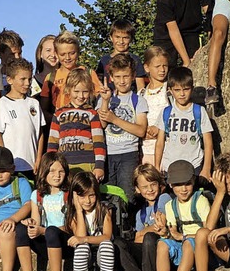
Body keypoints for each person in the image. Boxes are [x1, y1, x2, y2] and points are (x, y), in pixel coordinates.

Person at [15, 152, 71, 271]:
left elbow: (71, 226)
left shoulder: (69, 195)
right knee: (21, 229)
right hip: (45, 240)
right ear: (44, 172)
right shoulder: (38, 195)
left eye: (61, 171)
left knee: (51, 230)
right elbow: (36, 220)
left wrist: (43, 231)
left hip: (64, 241)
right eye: (52, 171)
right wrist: (31, 223)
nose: (57, 175)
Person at [97, 53, 148, 206]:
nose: (122, 81)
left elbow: (141, 130)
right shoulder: (104, 98)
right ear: (111, 77)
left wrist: (115, 119)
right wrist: (105, 101)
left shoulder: (138, 100)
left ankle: (128, 227)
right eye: (118, 77)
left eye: (125, 76)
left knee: (127, 196)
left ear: (133, 76)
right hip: (108, 153)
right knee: (107, 196)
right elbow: (101, 125)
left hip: (128, 154)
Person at [156, 160, 211, 271]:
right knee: (162, 244)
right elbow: (173, 232)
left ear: (193, 182)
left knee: (188, 243)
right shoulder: (171, 206)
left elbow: (207, 230)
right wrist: (164, 232)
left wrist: (184, 236)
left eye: (187, 184)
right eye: (178, 185)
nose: (184, 189)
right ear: (171, 185)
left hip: (201, 247)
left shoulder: (200, 201)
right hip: (183, 244)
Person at [119, 164, 171, 271]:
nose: (150, 190)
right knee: (119, 242)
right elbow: (136, 238)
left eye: (153, 184)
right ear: (137, 189)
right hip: (146, 250)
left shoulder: (164, 198)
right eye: (145, 187)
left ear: (159, 184)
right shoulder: (140, 213)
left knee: (149, 237)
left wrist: (144, 232)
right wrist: (144, 232)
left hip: (161, 248)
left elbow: (160, 225)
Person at [154, 67, 213, 180]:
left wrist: (206, 168)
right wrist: (157, 166)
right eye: (177, 90)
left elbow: (208, 142)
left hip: (194, 165)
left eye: (186, 89)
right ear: (170, 90)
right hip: (169, 166)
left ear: (192, 89)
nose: (182, 94)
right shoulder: (166, 112)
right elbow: (160, 142)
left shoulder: (199, 111)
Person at [0, 58, 45, 180]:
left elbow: (40, 133)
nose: (27, 83)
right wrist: (3, 161)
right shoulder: (3, 103)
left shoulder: (34, 103)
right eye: (23, 79)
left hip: (32, 166)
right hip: (12, 167)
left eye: (29, 79)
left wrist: (38, 159)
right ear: (10, 79)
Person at [47, 69, 106, 180]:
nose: (81, 96)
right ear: (68, 90)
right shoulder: (58, 114)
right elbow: (52, 143)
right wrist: (51, 164)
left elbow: (99, 142)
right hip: (65, 164)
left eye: (85, 92)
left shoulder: (92, 114)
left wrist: (99, 166)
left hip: (88, 163)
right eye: (76, 91)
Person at [65, 171, 116, 271]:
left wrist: (85, 239)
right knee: (81, 247)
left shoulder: (104, 209)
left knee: (107, 245)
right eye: (82, 196)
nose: (88, 201)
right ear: (75, 196)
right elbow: (79, 235)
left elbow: (106, 236)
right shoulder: (72, 213)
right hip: (84, 254)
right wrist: (79, 210)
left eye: (91, 196)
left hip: (101, 252)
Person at [40, 30, 102, 117]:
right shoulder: (51, 78)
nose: (67, 58)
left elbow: (100, 100)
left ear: (78, 52)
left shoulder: (89, 73)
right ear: (57, 55)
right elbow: (43, 109)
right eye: (63, 54)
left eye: (72, 53)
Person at [96, 19, 147, 91]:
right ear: (111, 37)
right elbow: (98, 83)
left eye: (125, 38)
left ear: (131, 39)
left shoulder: (135, 60)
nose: (121, 41)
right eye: (117, 37)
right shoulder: (104, 60)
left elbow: (140, 86)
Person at [140, 46, 170, 166]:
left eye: (165, 66)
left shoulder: (170, 90)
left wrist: (161, 129)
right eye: (157, 66)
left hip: (167, 150)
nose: (162, 70)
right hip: (145, 150)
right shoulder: (141, 94)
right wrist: (142, 131)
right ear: (147, 67)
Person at [0, 29, 24, 95]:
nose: (17, 57)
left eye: (19, 53)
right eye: (12, 54)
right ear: (0, 53)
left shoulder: (26, 75)